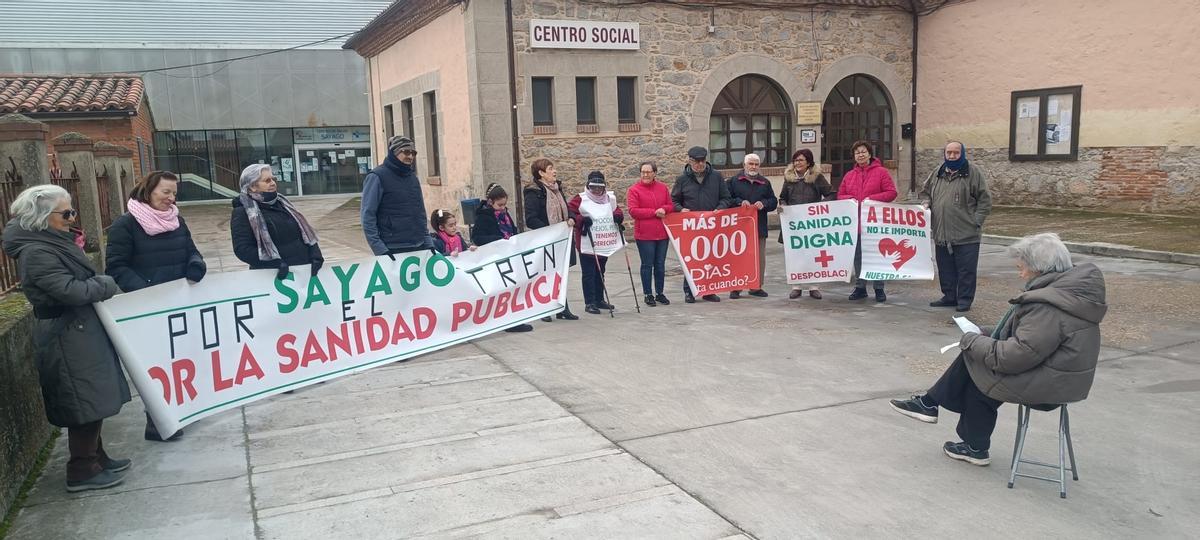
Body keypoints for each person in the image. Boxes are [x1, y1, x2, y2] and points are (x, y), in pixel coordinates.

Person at [889, 233, 1106, 466]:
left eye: (1021, 268)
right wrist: (988, 333)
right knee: (979, 361)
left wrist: (972, 341)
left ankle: (937, 410)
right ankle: (962, 435)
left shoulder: (1047, 305)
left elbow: (1015, 356)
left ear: (1039, 269)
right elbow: (1031, 339)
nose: (1020, 274)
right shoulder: (1069, 292)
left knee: (976, 360)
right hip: (1062, 376)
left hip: (1052, 384)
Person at [3, 185, 132, 492]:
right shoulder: (37, 252)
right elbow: (71, 291)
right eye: (66, 212)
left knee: (92, 396)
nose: (72, 217)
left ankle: (96, 457)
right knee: (82, 400)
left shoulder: (51, 243)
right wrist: (105, 284)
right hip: (66, 334)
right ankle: (82, 468)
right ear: (44, 217)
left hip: (78, 330)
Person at [105, 170, 205, 442]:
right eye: (165, 192)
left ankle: (183, 409)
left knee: (183, 360)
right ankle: (157, 421)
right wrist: (146, 291)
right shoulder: (125, 226)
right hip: (148, 307)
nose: (171, 198)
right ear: (148, 191)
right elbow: (116, 267)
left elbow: (191, 250)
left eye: (174, 193)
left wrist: (196, 266)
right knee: (157, 365)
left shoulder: (177, 221)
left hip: (180, 304)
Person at [921, 141, 992, 312]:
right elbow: (925, 191)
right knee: (945, 268)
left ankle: (964, 300)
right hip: (941, 232)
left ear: (962, 153)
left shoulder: (973, 173)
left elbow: (985, 200)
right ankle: (949, 296)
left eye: (956, 153)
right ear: (944, 154)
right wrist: (926, 202)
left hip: (966, 233)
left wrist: (976, 221)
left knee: (966, 270)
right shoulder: (937, 173)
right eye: (949, 152)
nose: (952, 156)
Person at [231, 164, 323, 279]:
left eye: (273, 179)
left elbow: (304, 232)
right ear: (252, 186)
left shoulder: (283, 204)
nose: (273, 183)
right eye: (267, 180)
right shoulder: (243, 212)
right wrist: (274, 263)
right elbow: (243, 249)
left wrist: (315, 253)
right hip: (273, 276)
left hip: (303, 271)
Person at [836, 140, 898, 302]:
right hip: (855, 222)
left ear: (870, 154)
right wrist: (851, 199)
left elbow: (891, 193)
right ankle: (860, 287)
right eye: (857, 153)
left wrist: (871, 199)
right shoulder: (849, 175)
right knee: (858, 257)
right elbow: (840, 195)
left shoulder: (881, 172)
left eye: (863, 151)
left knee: (876, 255)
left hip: (875, 223)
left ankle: (879, 288)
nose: (860, 155)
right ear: (854, 156)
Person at [672, 146, 733, 303]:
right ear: (690, 161)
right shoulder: (682, 179)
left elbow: (726, 197)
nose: (699, 164)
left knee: (711, 258)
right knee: (690, 259)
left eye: (702, 161)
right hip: (691, 226)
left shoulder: (716, 177)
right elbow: (673, 201)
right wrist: (681, 209)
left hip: (712, 225)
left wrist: (720, 208)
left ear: (706, 160)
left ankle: (709, 290)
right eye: (696, 161)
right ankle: (689, 291)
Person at [472, 183, 533, 332]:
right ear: (491, 202)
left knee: (513, 288)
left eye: (504, 205)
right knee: (502, 291)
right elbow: (477, 237)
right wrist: (498, 239)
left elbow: (512, 230)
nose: (502, 208)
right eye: (499, 205)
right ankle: (507, 321)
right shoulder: (484, 217)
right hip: (495, 258)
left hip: (509, 256)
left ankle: (514, 319)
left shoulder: (505, 215)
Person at [523, 158, 579, 321]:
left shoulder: (557, 188)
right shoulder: (533, 192)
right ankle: (545, 310)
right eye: (550, 169)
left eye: (553, 168)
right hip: (546, 241)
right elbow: (531, 218)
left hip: (562, 240)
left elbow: (568, 209)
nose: (554, 171)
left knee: (561, 273)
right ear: (541, 173)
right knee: (547, 275)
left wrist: (571, 217)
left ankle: (562, 308)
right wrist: (550, 231)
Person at [361, 136, 433, 257]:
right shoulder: (377, 177)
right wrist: (380, 249)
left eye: (413, 153)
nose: (410, 156)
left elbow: (420, 212)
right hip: (393, 248)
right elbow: (367, 216)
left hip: (419, 246)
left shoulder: (412, 178)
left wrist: (428, 241)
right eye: (406, 152)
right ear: (394, 152)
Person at [779, 149, 832, 300]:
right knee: (795, 255)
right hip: (794, 225)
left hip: (812, 224)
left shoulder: (817, 177)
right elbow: (783, 197)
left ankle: (813, 286)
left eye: (801, 160)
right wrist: (783, 205)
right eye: (795, 160)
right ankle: (796, 286)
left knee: (813, 254)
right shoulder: (789, 178)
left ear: (808, 162)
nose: (798, 163)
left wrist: (821, 206)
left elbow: (830, 193)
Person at [568, 171, 624, 314]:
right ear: (588, 185)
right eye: (594, 187)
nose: (597, 190)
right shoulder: (580, 198)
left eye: (600, 187)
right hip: (587, 242)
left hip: (603, 241)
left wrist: (618, 216)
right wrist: (581, 220)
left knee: (601, 271)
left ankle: (599, 299)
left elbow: (617, 210)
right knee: (588, 273)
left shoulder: (609, 198)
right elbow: (570, 211)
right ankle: (590, 302)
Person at [726, 153, 777, 299]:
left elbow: (773, 201)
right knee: (738, 257)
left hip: (758, 226)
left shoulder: (765, 183)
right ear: (744, 165)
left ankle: (756, 287)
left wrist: (765, 204)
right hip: (738, 228)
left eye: (756, 164)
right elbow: (726, 199)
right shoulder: (733, 181)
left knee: (759, 258)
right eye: (751, 164)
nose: (753, 167)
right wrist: (739, 202)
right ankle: (736, 287)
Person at [626, 160, 673, 307]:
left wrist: (664, 209)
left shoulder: (663, 188)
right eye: (643, 172)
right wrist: (654, 212)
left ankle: (659, 292)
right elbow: (633, 211)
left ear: (654, 173)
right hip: (645, 235)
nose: (645, 174)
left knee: (660, 264)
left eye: (648, 172)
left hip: (662, 234)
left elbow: (670, 205)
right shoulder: (634, 190)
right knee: (647, 265)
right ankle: (648, 294)